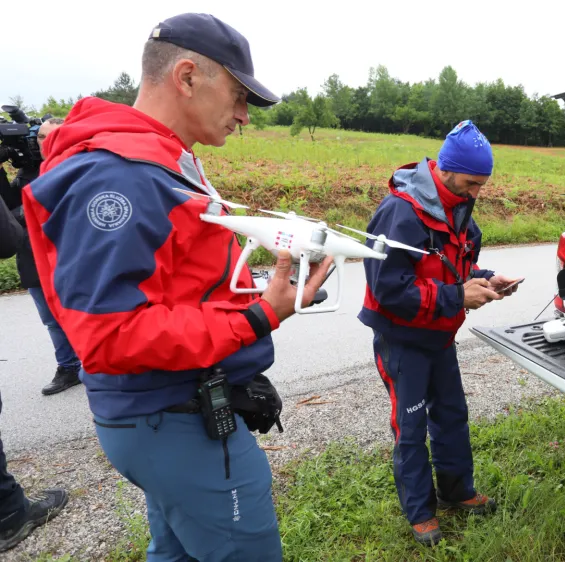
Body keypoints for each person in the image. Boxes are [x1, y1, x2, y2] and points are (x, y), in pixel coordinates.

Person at [21, 13, 332, 561]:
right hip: (172, 416)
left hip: (171, 410)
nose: (242, 116)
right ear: (187, 76)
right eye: (238, 95)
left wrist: (266, 292)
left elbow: (172, 284)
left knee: (176, 550)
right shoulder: (119, 175)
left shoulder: (162, 159)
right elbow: (110, 334)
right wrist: (258, 318)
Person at [358, 120, 521, 546]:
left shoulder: (461, 209)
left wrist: (486, 280)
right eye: (471, 183)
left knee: (452, 416)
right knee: (410, 428)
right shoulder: (401, 212)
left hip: (440, 336)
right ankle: (421, 512)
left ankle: (457, 492)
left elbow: (457, 272)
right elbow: (388, 289)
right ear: (446, 170)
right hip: (402, 340)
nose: (477, 193)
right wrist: (457, 296)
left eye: (482, 185)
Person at [0, 185, 68, 553]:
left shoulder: (60, 171)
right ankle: (10, 513)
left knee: (64, 321)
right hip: (34, 266)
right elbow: (8, 233)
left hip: (54, 264)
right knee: (53, 323)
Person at [0, 117, 82, 396]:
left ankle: (96, 363)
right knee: (50, 319)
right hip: (33, 257)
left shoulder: (79, 166)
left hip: (69, 257)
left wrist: (27, 214)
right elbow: (9, 211)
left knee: (81, 313)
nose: (45, 143)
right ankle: (69, 366)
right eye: (41, 137)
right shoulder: (26, 173)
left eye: (52, 136)